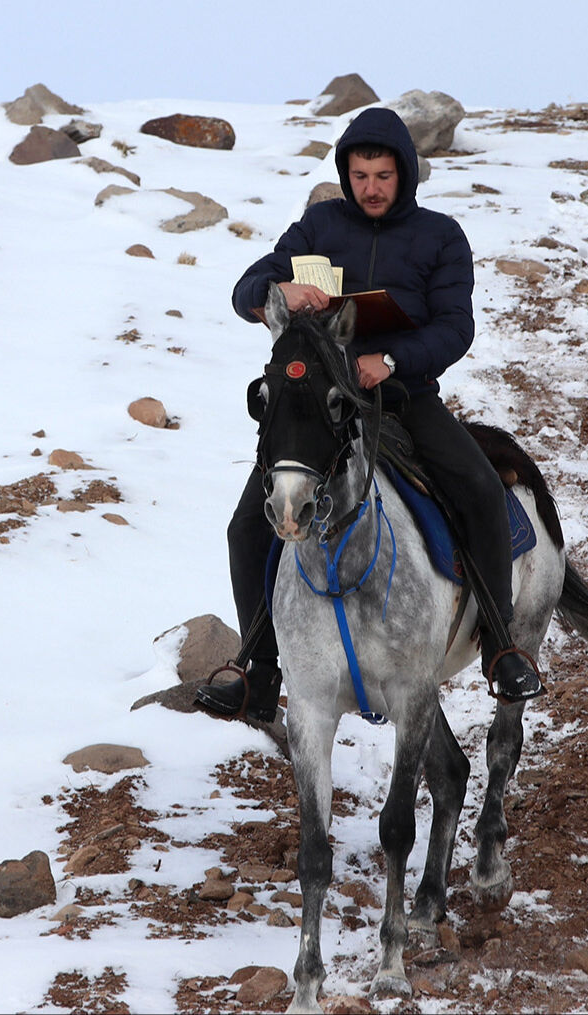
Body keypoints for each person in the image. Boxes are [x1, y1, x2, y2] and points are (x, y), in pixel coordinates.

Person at [198, 106, 542, 722]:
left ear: (404, 174)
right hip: (323, 410)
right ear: (346, 174)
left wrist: (391, 359)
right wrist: (275, 295)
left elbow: (456, 328)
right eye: (360, 176)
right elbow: (246, 287)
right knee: (247, 526)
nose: (371, 188)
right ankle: (259, 671)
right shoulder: (319, 225)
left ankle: (499, 645)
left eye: (383, 175)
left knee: (481, 491)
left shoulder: (440, 235)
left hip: (406, 399)